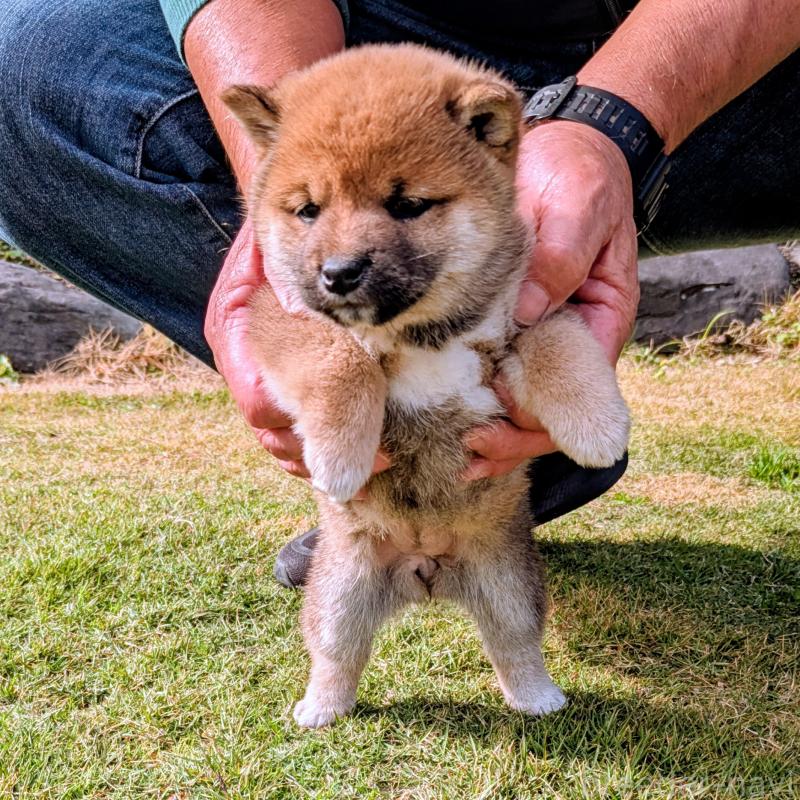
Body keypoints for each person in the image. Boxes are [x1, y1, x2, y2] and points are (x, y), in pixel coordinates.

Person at [0, 0, 797, 586]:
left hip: (751, 55)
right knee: (25, 67)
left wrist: (612, 124)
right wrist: (287, 172)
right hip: (383, 26)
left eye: (405, 208)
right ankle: (438, 454)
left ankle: (494, 418)